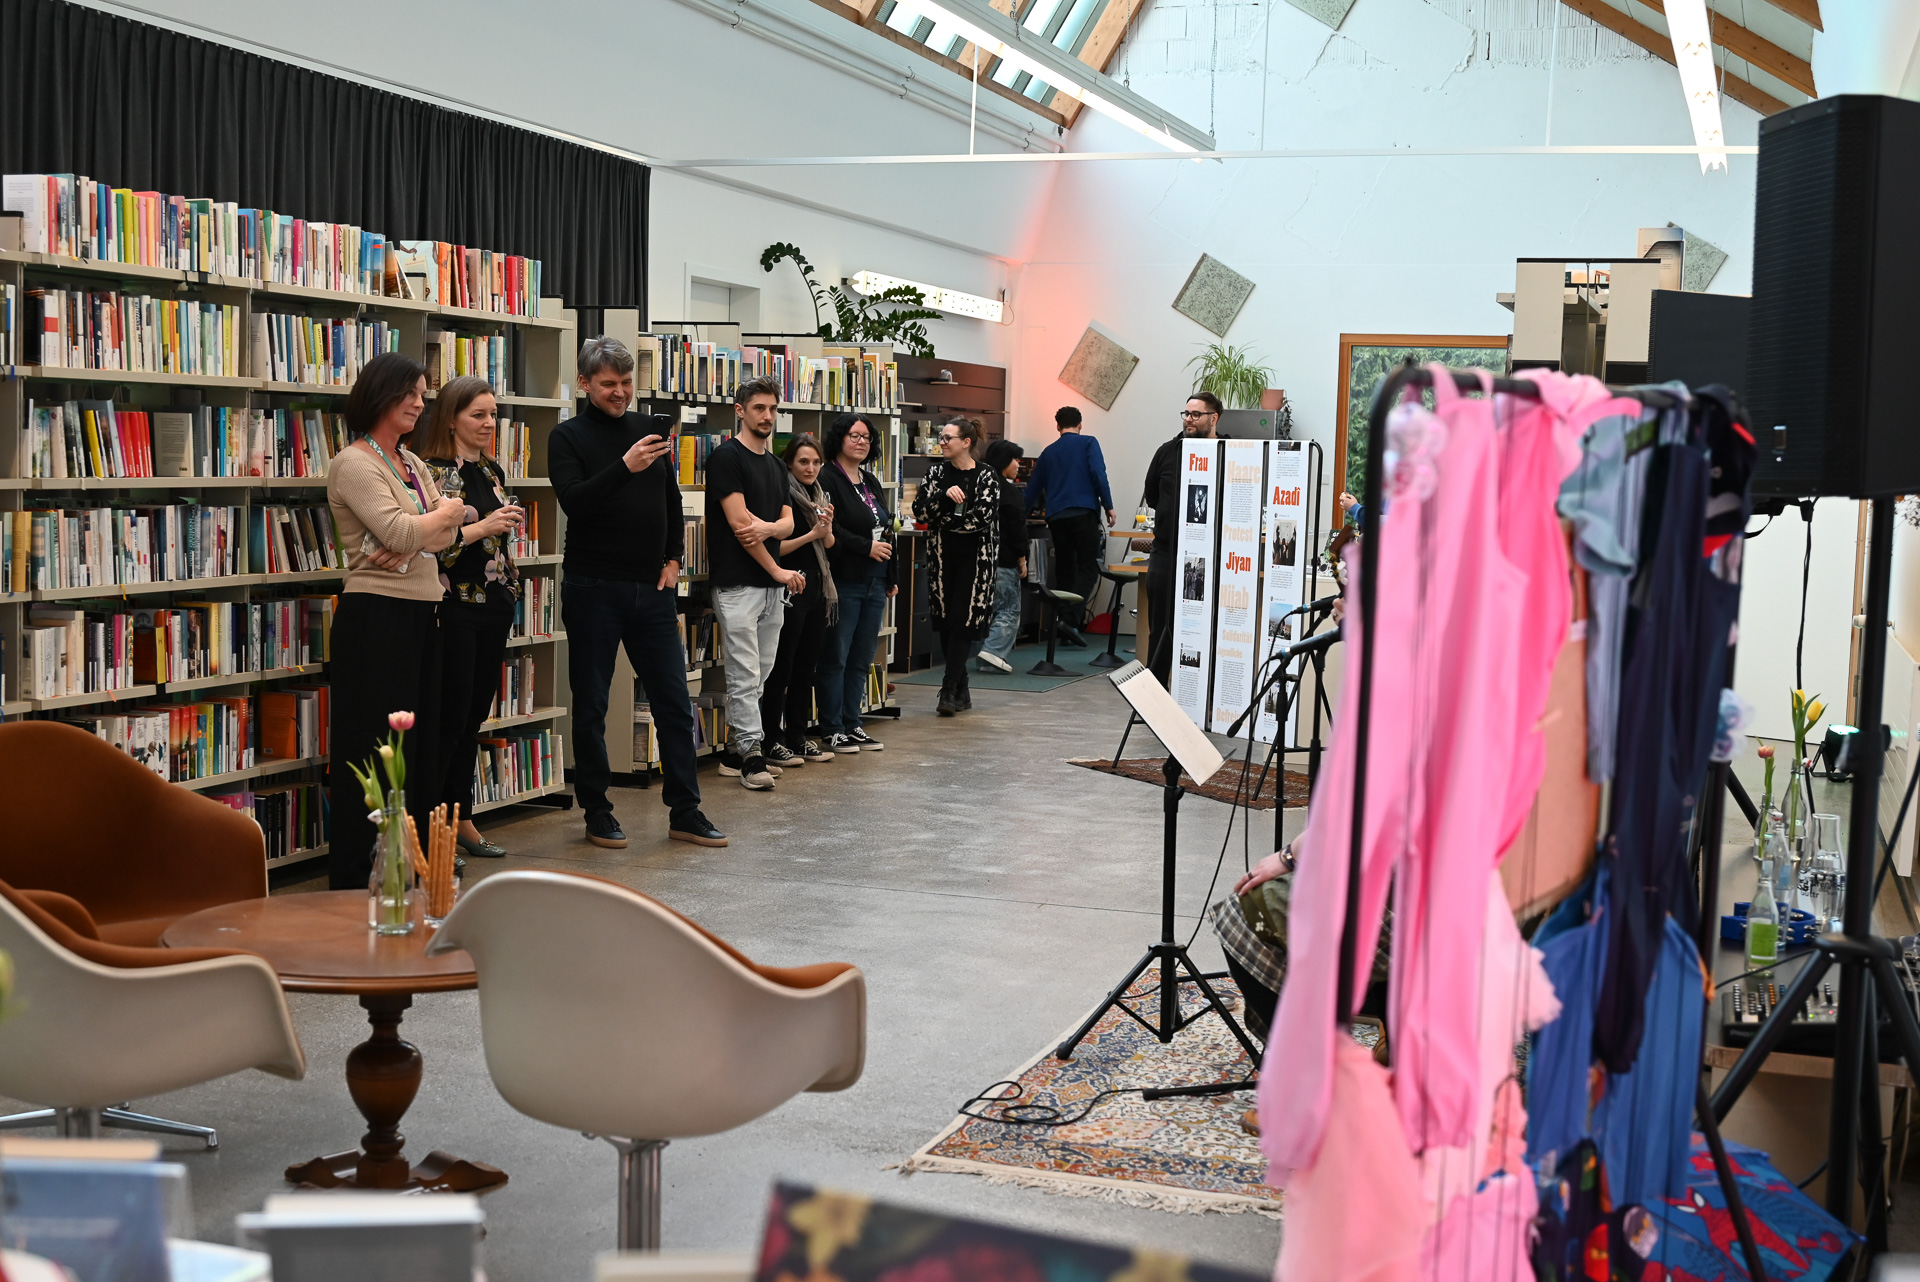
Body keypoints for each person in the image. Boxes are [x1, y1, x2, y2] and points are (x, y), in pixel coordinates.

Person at [551, 337, 725, 850]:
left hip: (653, 589)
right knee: (592, 705)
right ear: (585, 383)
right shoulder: (567, 436)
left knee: (673, 699)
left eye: (627, 383)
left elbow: (670, 500)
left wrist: (674, 558)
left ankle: (685, 810)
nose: (620, 393)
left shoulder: (649, 430)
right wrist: (624, 465)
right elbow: (576, 502)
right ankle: (597, 811)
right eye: (609, 384)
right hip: (592, 587)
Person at [324, 351, 467, 889]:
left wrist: (431, 526)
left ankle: (408, 872)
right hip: (377, 617)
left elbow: (446, 537)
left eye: (423, 395)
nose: (420, 403)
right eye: (410, 393)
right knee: (373, 748)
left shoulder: (411, 461)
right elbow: (408, 532)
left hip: (424, 614)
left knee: (418, 751)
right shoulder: (354, 463)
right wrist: (436, 519)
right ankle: (361, 878)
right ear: (380, 395)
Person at [416, 375, 527, 861]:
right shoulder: (432, 474)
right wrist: (485, 526)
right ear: (450, 419)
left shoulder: (490, 468)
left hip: (494, 606)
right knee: (450, 718)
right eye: (477, 415)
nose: (488, 423)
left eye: (493, 414)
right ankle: (431, 828)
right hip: (453, 608)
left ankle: (461, 817)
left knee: (474, 718)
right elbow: (429, 548)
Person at [706, 376, 800, 790]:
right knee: (744, 674)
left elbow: (789, 522)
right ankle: (751, 757)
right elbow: (741, 526)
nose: (767, 416)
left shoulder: (776, 465)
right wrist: (777, 568)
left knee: (761, 673)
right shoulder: (727, 458)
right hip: (738, 584)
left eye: (773, 409)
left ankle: (733, 752)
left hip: (770, 589)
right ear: (740, 411)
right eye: (759, 408)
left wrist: (771, 528)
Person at [816, 413, 895, 753]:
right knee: (836, 656)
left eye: (866, 437)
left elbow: (886, 528)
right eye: (854, 435)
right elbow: (830, 529)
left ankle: (853, 723)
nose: (862, 442)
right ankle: (832, 728)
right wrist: (866, 548)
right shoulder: (827, 477)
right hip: (844, 580)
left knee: (862, 656)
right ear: (840, 439)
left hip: (876, 581)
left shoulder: (869, 480)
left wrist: (891, 576)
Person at [758, 434, 837, 767]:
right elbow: (776, 548)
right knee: (782, 666)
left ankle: (797, 736)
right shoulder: (783, 495)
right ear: (789, 463)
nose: (811, 468)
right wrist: (812, 534)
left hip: (818, 584)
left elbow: (828, 544)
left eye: (816, 462)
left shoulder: (819, 494)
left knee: (806, 666)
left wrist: (825, 528)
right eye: (803, 462)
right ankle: (771, 739)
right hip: (790, 585)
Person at [913, 416, 1000, 716]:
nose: (942, 442)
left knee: (963, 620)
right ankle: (961, 687)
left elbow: (981, 519)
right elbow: (920, 511)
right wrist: (943, 496)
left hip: (976, 563)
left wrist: (943, 520)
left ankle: (949, 688)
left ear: (966, 442)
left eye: (948, 437)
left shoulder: (987, 475)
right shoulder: (936, 473)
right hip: (942, 559)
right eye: (941, 437)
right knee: (947, 620)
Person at [1141, 390, 1222, 682]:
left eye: (1196, 414)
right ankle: (1156, 692)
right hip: (1166, 553)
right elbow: (1152, 496)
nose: (1189, 419)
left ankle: (1202, 693)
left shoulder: (1227, 452)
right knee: (1161, 628)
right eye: (1186, 413)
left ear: (1213, 418)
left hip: (1210, 557)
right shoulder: (1167, 452)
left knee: (1205, 627)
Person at [1023, 406, 1113, 647]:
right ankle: (1070, 621)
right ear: (1080, 424)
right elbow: (1099, 474)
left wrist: (1019, 515)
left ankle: (1063, 628)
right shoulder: (1088, 443)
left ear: (1057, 426)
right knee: (1089, 568)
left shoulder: (1048, 452)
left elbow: (1032, 488)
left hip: (1056, 517)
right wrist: (1108, 505)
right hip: (1083, 512)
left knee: (1064, 570)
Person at [972, 439, 1027, 674]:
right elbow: (1017, 530)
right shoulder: (1010, 493)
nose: (1018, 465)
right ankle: (993, 652)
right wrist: (1022, 558)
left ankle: (985, 653)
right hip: (1004, 559)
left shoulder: (978, 486)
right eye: (1015, 460)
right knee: (1008, 608)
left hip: (977, 559)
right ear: (1005, 461)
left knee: (986, 608)